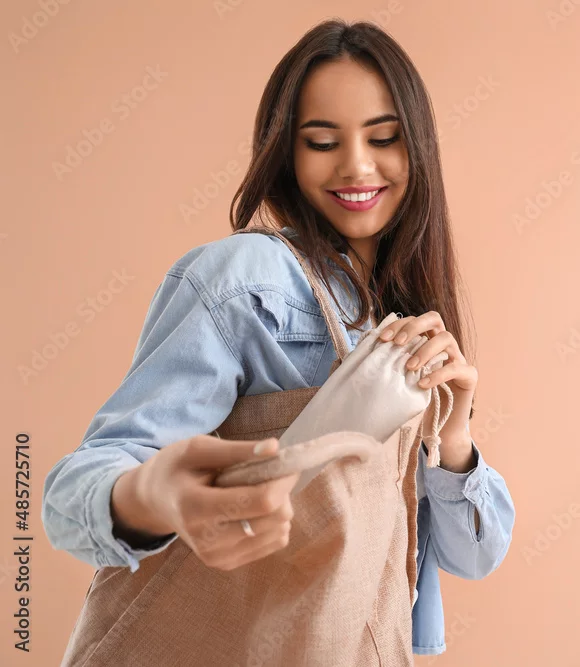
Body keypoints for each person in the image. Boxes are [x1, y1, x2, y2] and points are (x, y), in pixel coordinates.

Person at [41, 18, 515, 660]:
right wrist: (154, 495)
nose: (357, 165)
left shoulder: (404, 313)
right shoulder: (245, 281)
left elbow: (474, 558)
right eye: (321, 141)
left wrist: (453, 438)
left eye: (384, 138)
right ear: (285, 153)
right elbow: (71, 493)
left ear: (419, 150)